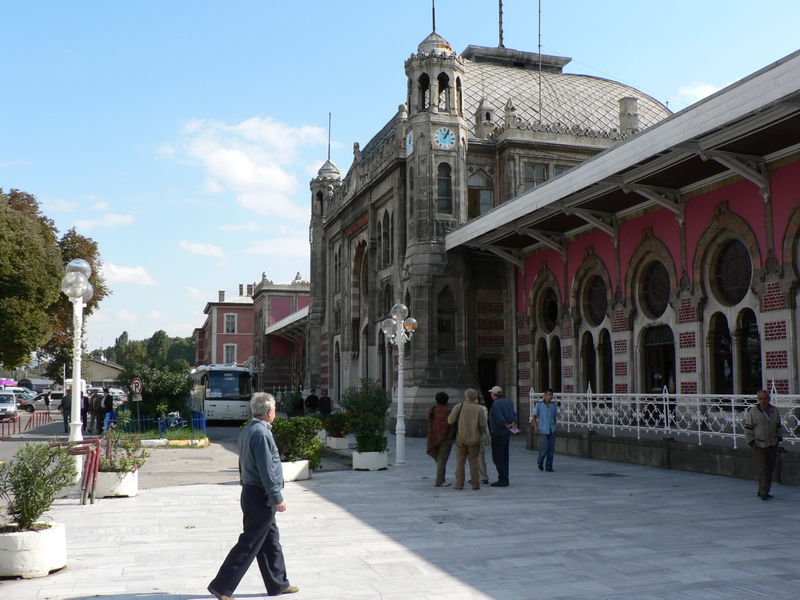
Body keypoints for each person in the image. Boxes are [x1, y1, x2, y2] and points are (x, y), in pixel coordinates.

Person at [208, 392, 299, 599]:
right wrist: (277, 497)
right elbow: (266, 469)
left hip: (252, 491)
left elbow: (243, 464)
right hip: (260, 494)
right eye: (274, 410)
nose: (275, 413)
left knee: (270, 542)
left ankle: (278, 584)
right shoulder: (261, 434)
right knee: (250, 542)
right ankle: (222, 586)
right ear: (269, 412)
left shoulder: (249, 429)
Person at [743, 389, 783, 500]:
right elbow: (748, 428)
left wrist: (779, 438)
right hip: (759, 444)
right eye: (760, 399)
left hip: (773, 443)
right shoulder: (753, 411)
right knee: (763, 469)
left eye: (764, 398)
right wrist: (751, 442)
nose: (762, 401)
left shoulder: (774, 410)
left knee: (770, 468)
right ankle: (763, 491)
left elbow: (778, 425)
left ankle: (765, 489)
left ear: (769, 399)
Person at [447, 388, 487, 490]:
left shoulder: (459, 406)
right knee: (474, 462)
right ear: (474, 397)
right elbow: (482, 425)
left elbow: (450, 421)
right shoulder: (479, 409)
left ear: (466, 397)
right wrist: (481, 435)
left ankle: (459, 484)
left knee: (460, 462)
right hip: (474, 439)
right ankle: (475, 484)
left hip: (461, 438)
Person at [488, 385, 517, 487]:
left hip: (498, 433)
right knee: (505, 456)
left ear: (494, 394)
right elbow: (514, 414)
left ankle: (503, 478)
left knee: (497, 457)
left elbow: (499, 418)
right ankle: (505, 476)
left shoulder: (496, 404)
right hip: (506, 433)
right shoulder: (507, 401)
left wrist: (505, 424)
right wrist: (512, 423)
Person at [426, 391, 453, 487]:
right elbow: (450, 424)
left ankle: (441, 478)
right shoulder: (448, 410)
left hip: (434, 437)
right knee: (442, 459)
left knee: (439, 459)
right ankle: (440, 481)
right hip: (445, 439)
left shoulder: (433, 410)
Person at [531, 388, 559, 472]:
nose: (550, 397)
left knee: (551, 448)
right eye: (549, 394)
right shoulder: (539, 405)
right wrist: (535, 426)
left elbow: (555, 417)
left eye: (551, 395)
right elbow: (534, 416)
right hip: (543, 429)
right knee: (544, 446)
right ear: (545, 395)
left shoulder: (553, 405)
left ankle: (549, 466)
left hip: (552, 428)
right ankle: (540, 462)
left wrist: (555, 425)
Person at [477, 398, 491, 485]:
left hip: (481, 436)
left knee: (480, 457)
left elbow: (483, 421)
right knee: (472, 458)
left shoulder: (483, 408)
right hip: (470, 437)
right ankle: (475, 477)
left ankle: (483, 477)